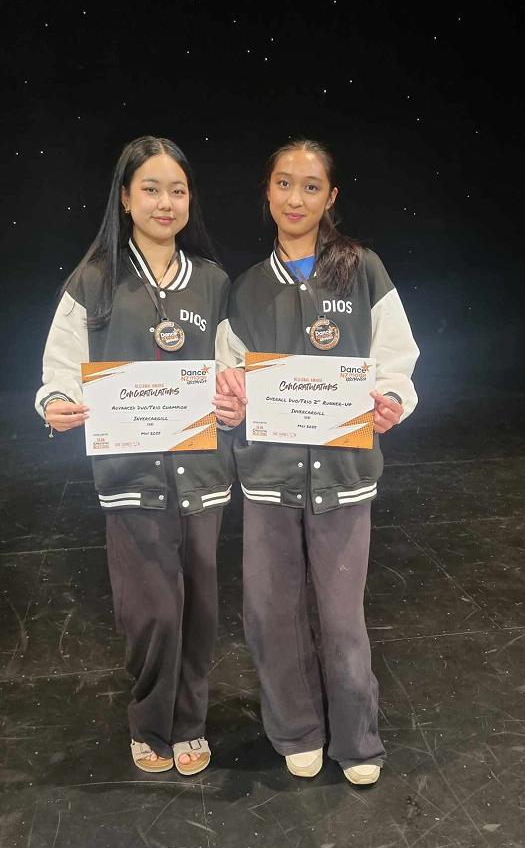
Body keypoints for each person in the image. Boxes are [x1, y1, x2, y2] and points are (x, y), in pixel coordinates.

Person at [36, 136, 244, 776]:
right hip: (130, 474)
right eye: (150, 189)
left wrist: (234, 401)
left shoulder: (213, 282)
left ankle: (190, 722)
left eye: (177, 190)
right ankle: (151, 722)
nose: (165, 202)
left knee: (200, 610)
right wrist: (56, 403)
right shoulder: (93, 280)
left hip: (202, 474)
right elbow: (59, 370)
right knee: (151, 611)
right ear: (125, 198)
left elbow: (232, 369)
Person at [217, 138, 419, 785]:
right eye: (283, 183)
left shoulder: (362, 270)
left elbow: (396, 360)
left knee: (341, 619)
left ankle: (357, 740)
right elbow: (227, 377)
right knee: (270, 615)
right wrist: (228, 401)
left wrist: (391, 400)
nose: (295, 198)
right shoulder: (246, 289)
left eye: (310, 187)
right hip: (269, 480)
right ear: (267, 191)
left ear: (330, 197)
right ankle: (296, 730)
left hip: (344, 478)